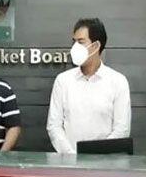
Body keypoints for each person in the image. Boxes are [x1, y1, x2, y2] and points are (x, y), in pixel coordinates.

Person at [47, 18, 131, 154]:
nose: (75, 47)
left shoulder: (118, 82)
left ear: (96, 45)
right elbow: (54, 126)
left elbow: (122, 129)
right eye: (74, 42)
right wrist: (71, 155)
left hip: (106, 162)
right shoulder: (63, 81)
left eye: (81, 42)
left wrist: (100, 157)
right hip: (69, 161)